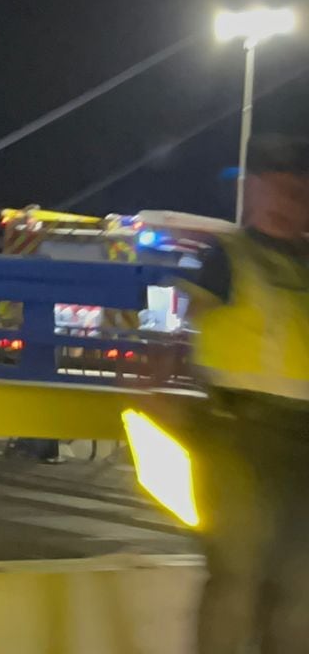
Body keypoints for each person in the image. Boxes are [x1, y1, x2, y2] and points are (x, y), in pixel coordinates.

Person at [177, 135, 309, 654]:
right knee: (237, 575)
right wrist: (162, 385)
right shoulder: (226, 256)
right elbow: (181, 331)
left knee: (300, 587)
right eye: (276, 190)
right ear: (253, 192)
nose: (287, 204)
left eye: (298, 193)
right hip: (236, 431)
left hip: (301, 440)